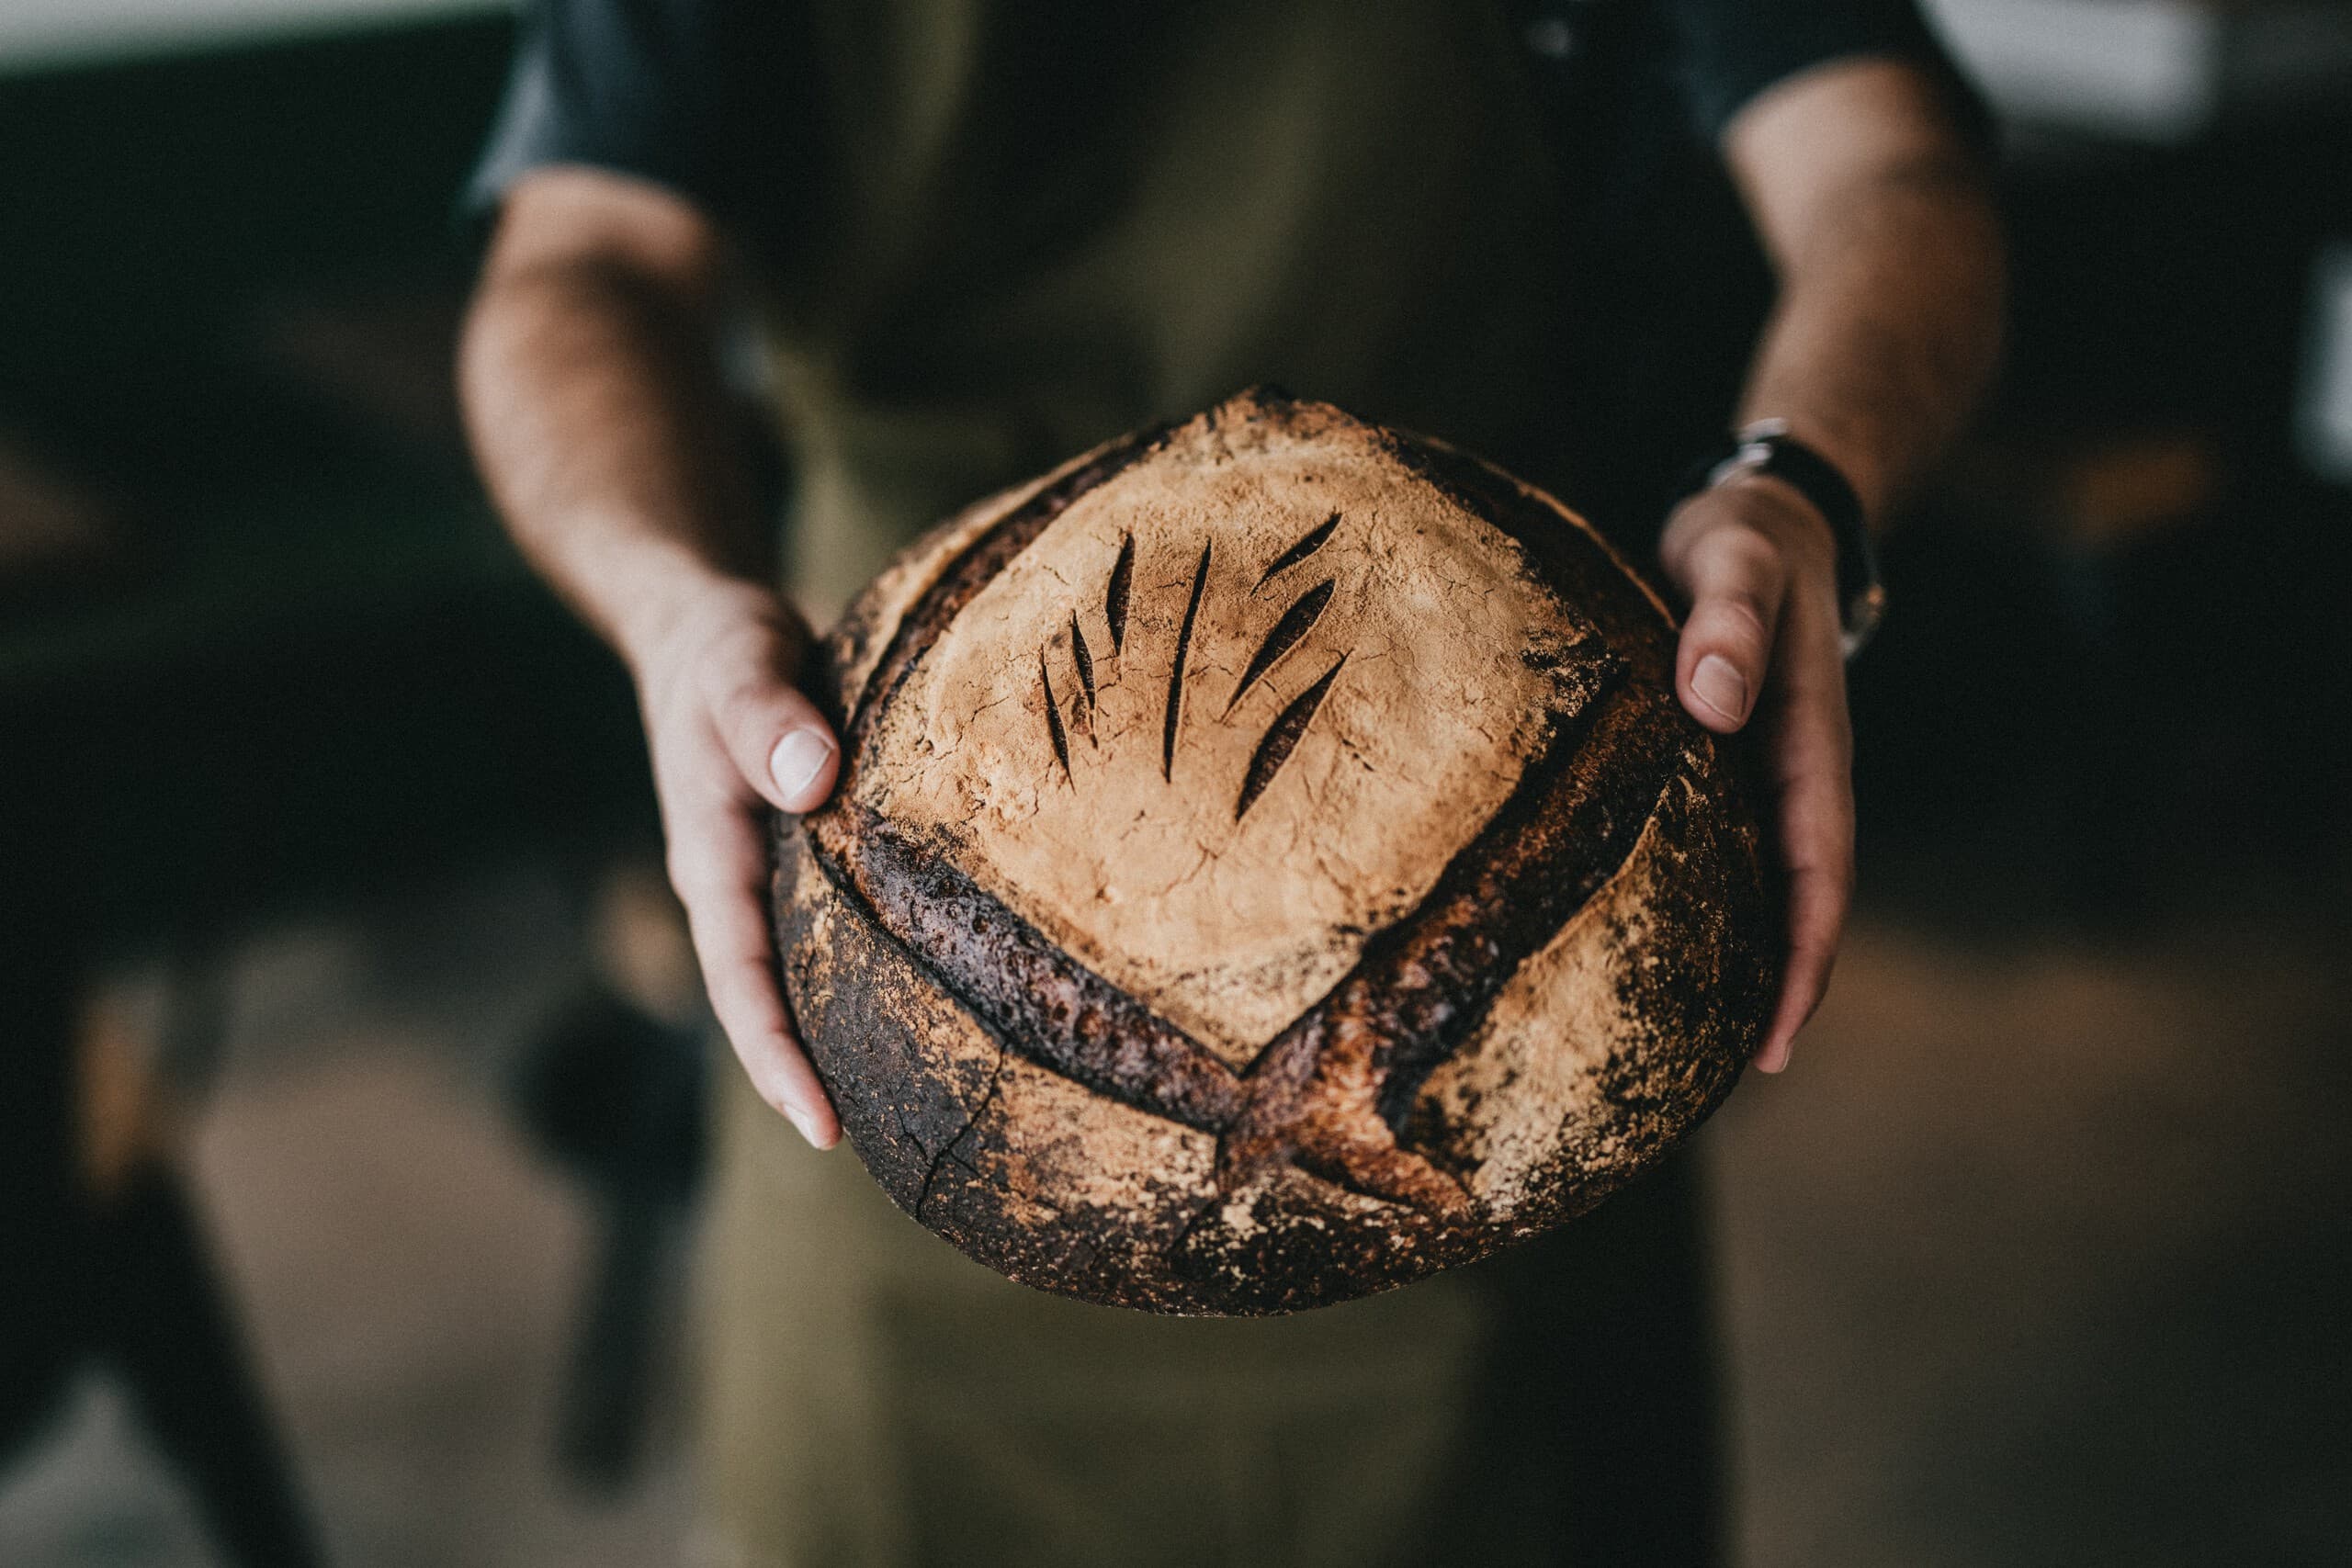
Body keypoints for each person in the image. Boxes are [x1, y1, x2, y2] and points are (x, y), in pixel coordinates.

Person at [458, 3, 2004, 1562]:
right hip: (904, 902)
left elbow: (1888, 169)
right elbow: (577, 264)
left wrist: (1800, 485)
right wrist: (672, 607)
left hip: (1484, 809)